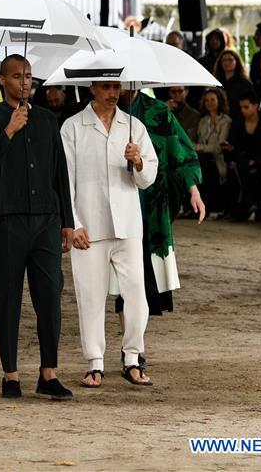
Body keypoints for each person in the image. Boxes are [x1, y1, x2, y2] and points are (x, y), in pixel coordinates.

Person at [0, 55, 74, 400]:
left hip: (46, 219)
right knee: (7, 299)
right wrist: (10, 130)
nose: (25, 81)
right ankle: (10, 374)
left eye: (29, 75)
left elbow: (59, 173)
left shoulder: (47, 119)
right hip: (6, 220)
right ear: (2, 81)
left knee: (50, 297)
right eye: (17, 76)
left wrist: (67, 223)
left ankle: (49, 373)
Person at [61, 80, 158, 388]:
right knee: (90, 296)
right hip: (89, 225)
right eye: (105, 87)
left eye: (116, 87)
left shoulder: (133, 126)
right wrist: (73, 224)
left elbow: (148, 177)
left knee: (137, 297)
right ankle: (94, 362)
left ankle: (133, 357)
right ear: (92, 89)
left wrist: (138, 161)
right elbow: (66, 180)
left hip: (128, 224)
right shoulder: (73, 127)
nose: (112, 93)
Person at [115, 90, 204, 361]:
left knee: (146, 278)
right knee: (121, 283)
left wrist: (193, 189)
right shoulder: (102, 112)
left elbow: (179, 152)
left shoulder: (158, 112)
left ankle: (134, 345)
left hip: (153, 207)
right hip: (116, 205)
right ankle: (131, 346)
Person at [226, 94, 261, 221]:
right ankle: (250, 203)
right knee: (242, 166)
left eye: (246, 107)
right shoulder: (237, 123)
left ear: (256, 106)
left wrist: (256, 160)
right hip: (242, 159)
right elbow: (234, 144)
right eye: (241, 107)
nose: (242, 110)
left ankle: (248, 204)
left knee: (245, 169)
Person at [194, 88, 232, 213]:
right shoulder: (203, 121)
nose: (209, 103)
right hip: (204, 159)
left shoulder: (226, 120)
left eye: (212, 100)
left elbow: (218, 146)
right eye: (206, 100)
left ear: (219, 101)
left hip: (219, 159)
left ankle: (214, 207)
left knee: (204, 162)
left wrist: (198, 147)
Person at [212, 48, 254, 120]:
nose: (227, 63)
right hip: (219, 119)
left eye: (230, 60)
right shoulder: (216, 82)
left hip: (239, 119)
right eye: (224, 60)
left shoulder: (245, 83)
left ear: (236, 62)